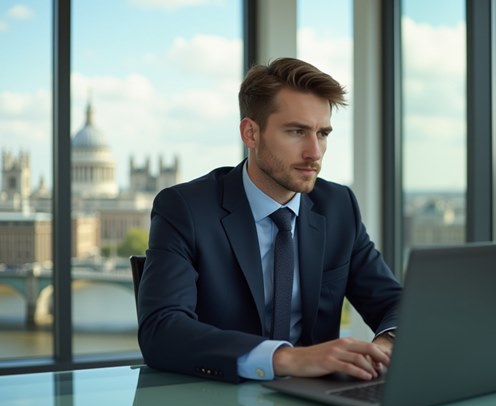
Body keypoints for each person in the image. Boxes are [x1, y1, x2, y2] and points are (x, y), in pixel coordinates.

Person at [137, 57, 402, 384]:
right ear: (251, 132)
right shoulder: (186, 209)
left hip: (316, 398)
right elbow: (161, 330)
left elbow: (395, 302)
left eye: (322, 134)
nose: (314, 152)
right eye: (297, 132)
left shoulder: (338, 206)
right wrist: (286, 358)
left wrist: (387, 344)